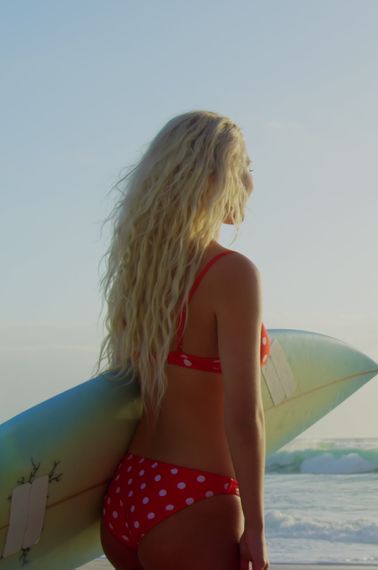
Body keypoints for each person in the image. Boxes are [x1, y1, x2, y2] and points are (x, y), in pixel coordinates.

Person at [98, 111, 270, 570]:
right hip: (195, 500)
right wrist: (255, 526)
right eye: (244, 168)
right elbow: (243, 416)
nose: (251, 182)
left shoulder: (145, 276)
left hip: (129, 494)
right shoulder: (232, 273)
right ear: (212, 178)